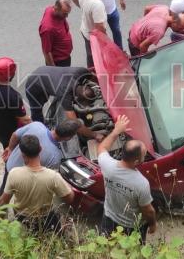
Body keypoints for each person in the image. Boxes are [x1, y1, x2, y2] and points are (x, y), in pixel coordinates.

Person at [0, 134, 74, 234]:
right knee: (56, 238)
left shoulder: (13, 174)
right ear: (40, 149)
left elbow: (3, 201)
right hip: (47, 219)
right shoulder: (53, 176)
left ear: (22, 154)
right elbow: (70, 198)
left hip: (22, 218)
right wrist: (67, 185)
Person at [97, 115, 156, 244]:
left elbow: (101, 148)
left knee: (106, 245)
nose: (145, 155)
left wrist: (116, 131)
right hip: (131, 227)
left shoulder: (107, 165)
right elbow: (148, 211)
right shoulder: (141, 183)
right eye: (144, 154)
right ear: (136, 162)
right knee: (134, 250)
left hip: (108, 217)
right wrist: (152, 224)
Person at [0, 119, 80, 198]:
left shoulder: (37, 125)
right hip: (23, 183)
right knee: (20, 201)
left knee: (4, 195)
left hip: (10, 166)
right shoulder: (56, 157)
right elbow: (44, 178)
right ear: (68, 138)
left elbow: (15, 135)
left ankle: (0, 207)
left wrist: (10, 150)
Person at [23, 66, 104, 140]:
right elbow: (74, 124)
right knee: (37, 113)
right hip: (33, 84)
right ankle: (40, 136)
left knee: (55, 92)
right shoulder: (64, 93)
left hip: (46, 73)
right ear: (76, 98)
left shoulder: (82, 72)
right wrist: (94, 135)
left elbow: (94, 77)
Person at [73, 0, 109, 68]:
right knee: (94, 57)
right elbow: (99, 27)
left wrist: (84, 8)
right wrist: (105, 39)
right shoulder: (97, 4)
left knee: (90, 53)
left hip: (84, 29)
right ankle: (93, 72)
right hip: (93, 37)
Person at [39, 0, 73, 67]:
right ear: (56, 8)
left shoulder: (50, 9)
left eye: (68, 13)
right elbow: (46, 52)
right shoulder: (47, 29)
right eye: (65, 13)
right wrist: (54, 69)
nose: (67, 16)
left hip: (65, 57)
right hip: (59, 62)